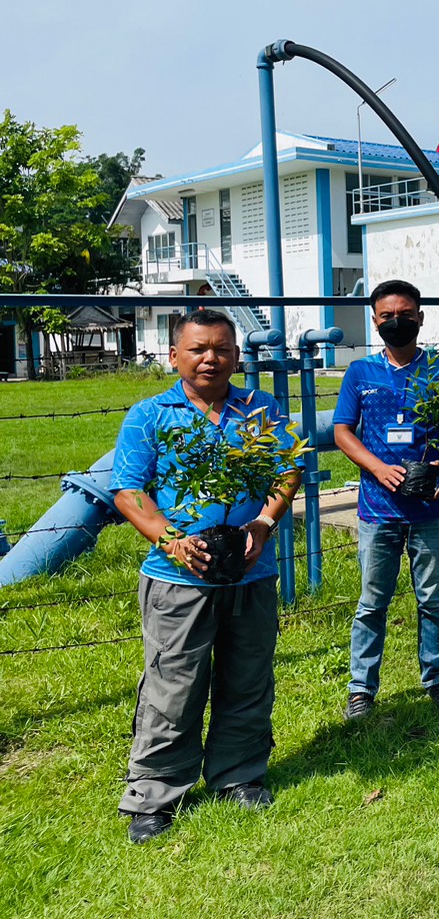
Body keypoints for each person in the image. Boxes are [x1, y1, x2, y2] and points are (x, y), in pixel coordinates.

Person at [109, 309, 303, 843]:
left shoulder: (260, 409)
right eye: (197, 349)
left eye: (221, 348)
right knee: (173, 685)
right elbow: (128, 489)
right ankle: (154, 794)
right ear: (175, 356)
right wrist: (170, 539)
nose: (210, 358)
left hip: (251, 572)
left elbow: (287, 470)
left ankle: (238, 775)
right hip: (178, 580)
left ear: (237, 357)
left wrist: (264, 523)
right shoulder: (151, 415)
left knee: (247, 678)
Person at [333, 279, 439, 721]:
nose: (396, 321)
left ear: (420, 317)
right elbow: (342, 432)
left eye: (405, 314)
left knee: (432, 597)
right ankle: (361, 690)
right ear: (375, 321)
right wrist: (377, 468)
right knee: (373, 602)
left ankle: (438, 678)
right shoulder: (360, 373)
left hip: (430, 507)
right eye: (387, 316)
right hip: (378, 508)